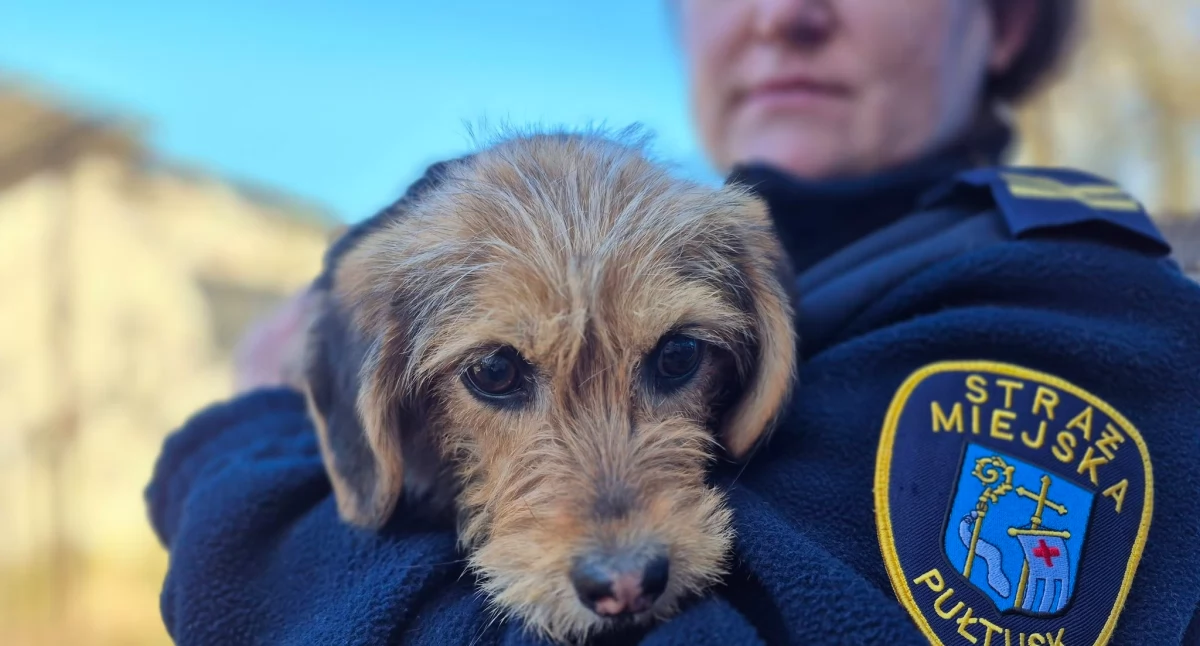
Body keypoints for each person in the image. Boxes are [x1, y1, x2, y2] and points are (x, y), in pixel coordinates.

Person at [146, 1, 1200, 644]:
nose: (780, 9)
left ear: (1005, 19)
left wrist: (241, 447)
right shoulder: (759, 253)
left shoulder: (1076, 307)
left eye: (678, 359)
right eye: (500, 375)